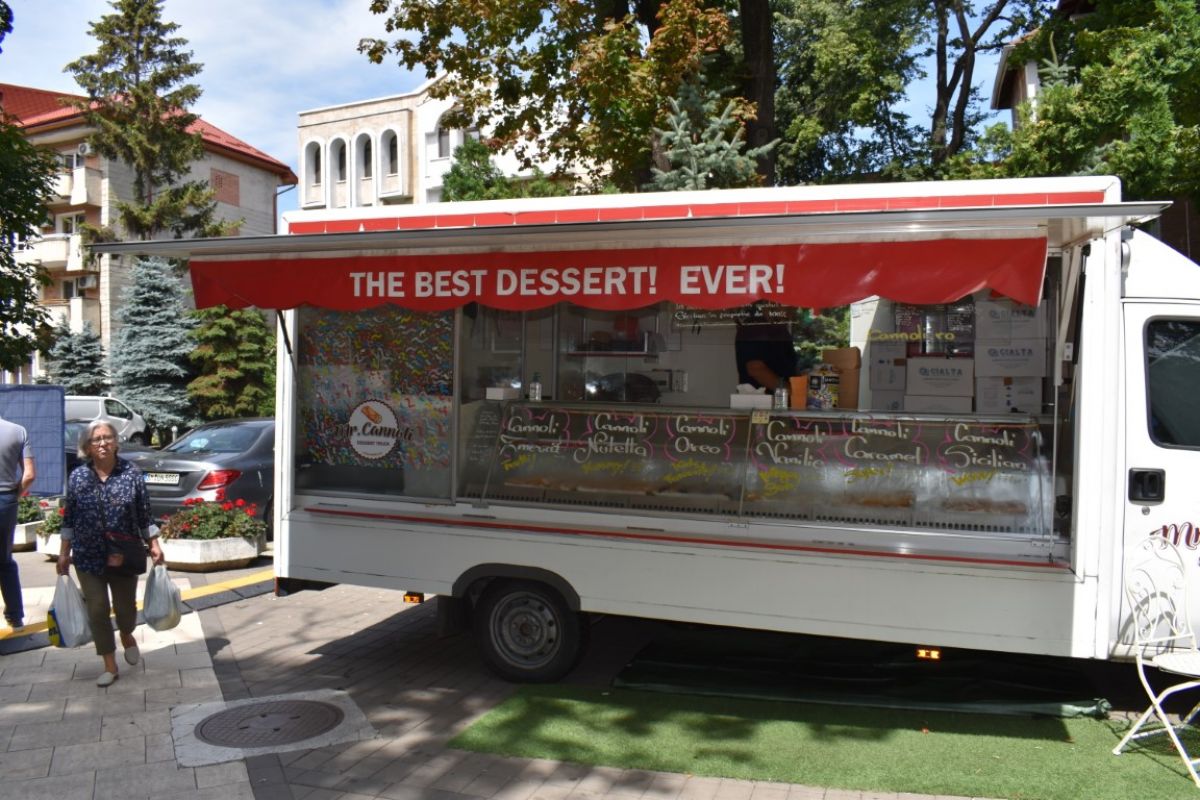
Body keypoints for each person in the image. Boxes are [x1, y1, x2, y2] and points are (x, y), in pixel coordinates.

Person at [57, 420, 164, 686]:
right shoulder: (78, 476)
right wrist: (63, 552)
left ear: (116, 442)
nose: (103, 443)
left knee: (125, 609)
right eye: (96, 439)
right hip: (87, 553)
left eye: (107, 437)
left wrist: (154, 544)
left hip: (123, 552)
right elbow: (69, 517)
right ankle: (109, 664)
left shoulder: (131, 473)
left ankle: (127, 633)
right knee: (97, 610)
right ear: (87, 447)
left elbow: (144, 513)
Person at [0, 413, 34, 631]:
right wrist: (15, 495)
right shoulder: (17, 431)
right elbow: (29, 475)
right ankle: (15, 617)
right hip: (6, 501)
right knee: (4, 561)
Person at [734, 319, 798, 391]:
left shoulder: (780, 331)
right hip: (760, 396)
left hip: (779, 395)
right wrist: (792, 392)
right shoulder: (754, 327)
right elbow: (756, 369)